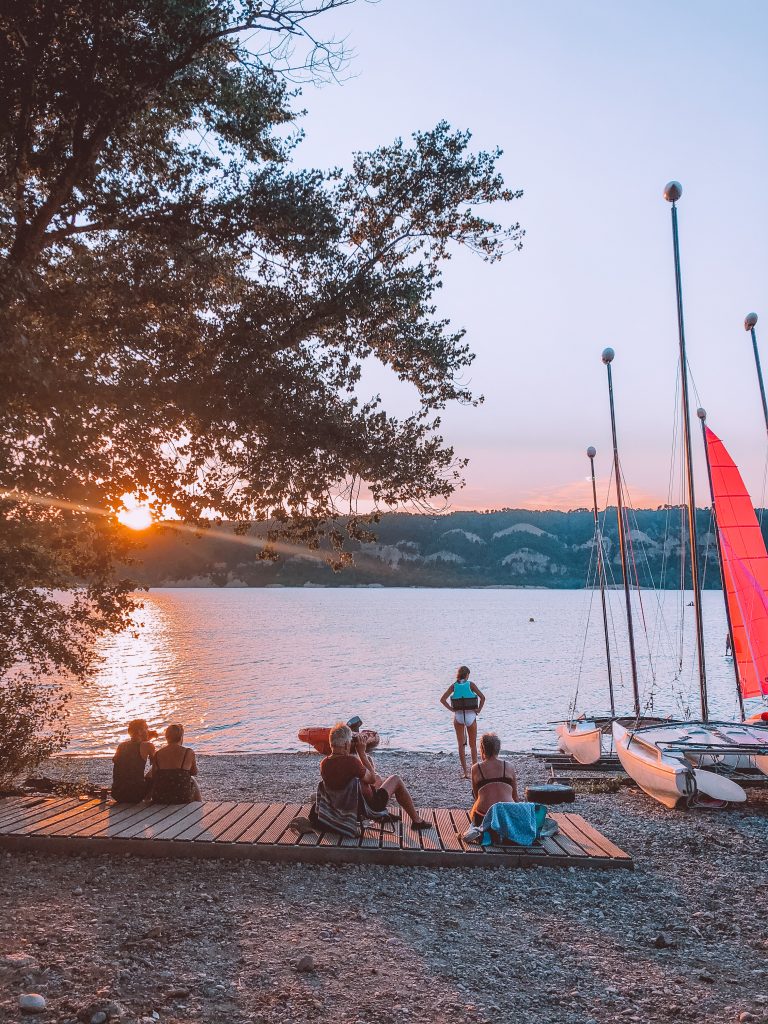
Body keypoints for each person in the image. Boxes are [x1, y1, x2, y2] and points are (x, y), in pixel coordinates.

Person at [319, 722, 433, 830]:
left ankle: (383, 816)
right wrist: (362, 753)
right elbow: (371, 778)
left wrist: (361, 755)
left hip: (342, 806)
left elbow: (354, 775)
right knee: (395, 779)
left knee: (378, 779)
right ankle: (417, 821)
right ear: (345, 744)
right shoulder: (351, 763)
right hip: (366, 808)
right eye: (350, 741)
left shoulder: (324, 763)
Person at [440, 665, 486, 778]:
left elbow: (442, 699)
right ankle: (475, 772)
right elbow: (483, 697)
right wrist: (478, 710)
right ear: (467, 675)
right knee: (473, 745)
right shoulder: (471, 684)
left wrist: (452, 710)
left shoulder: (453, 686)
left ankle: (465, 773)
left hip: (459, 717)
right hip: (470, 716)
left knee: (461, 745)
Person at [470, 732, 519, 826]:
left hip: (483, 817)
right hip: (507, 816)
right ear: (498, 749)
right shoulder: (509, 766)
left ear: (482, 749)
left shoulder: (476, 769)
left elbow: (477, 797)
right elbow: (515, 797)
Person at [150, 724, 202, 803]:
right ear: (181, 737)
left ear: (167, 737)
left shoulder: (158, 754)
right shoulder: (188, 752)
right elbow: (194, 772)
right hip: (182, 797)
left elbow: (154, 775)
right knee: (193, 780)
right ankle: (199, 805)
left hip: (161, 797)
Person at [111, 719, 157, 802]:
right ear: (139, 731)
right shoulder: (148, 745)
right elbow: (157, 763)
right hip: (135, 795)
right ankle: (148, 799)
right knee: (155, 768)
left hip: (117, 794)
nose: (148, 731)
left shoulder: (121, 745)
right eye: (146, 728)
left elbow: (118, 761)